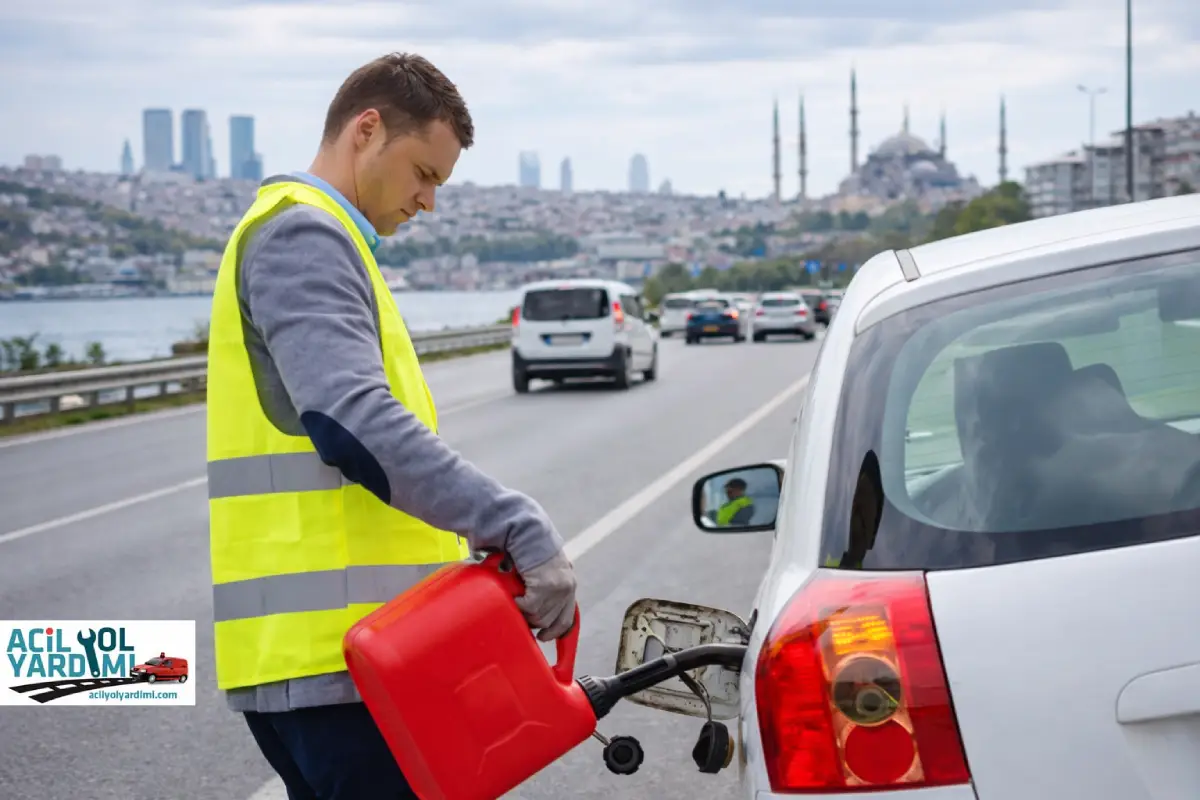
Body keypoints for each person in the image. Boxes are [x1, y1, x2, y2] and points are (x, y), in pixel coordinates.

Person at [204, 52, 577, 800]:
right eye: (424, 174)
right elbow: (353, 423)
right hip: (342, 670)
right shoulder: (303, 236)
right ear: (366, 130)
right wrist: (513, 522)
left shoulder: (306, 234)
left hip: (335, 664)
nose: (428, 201)